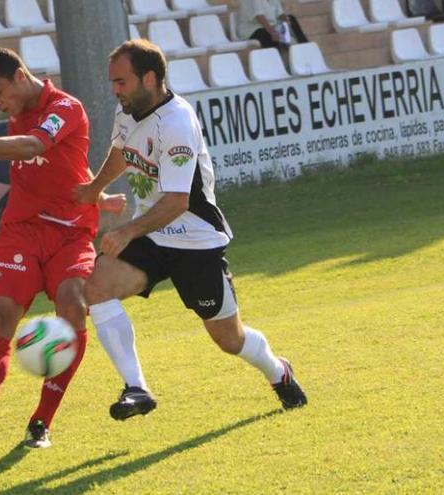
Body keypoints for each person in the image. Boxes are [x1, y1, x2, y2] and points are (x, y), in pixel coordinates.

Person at [77, 39, 307, 421]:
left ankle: (278, 371)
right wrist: (94, 187)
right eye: (112, 82)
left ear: (149, 77)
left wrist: (128, 231)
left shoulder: (178, 122)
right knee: (96, 287)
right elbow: (121, 152)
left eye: (121, 82)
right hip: (152, 235)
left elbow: (177, 202)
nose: (115, 90)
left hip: (195, 239)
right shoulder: (128, 112)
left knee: (229, 340)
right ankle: (137, 388)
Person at [0, 47, 125, 449]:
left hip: (71, 233)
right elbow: (70, 163)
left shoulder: (64, 107)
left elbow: (34, 147)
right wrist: (99, 194)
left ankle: (41, 421)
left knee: (73, 304)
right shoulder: (18, 115)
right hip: (21, 230)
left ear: (20, 76)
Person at [236, 0, 308, 51]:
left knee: (291, 18)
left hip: (271, 26)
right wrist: (273, 32)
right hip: (252, 30)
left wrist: (285, 19)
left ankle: (305, 48)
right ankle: (276, 63)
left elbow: (279, 13)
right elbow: (259, 16)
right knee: (268, 34)